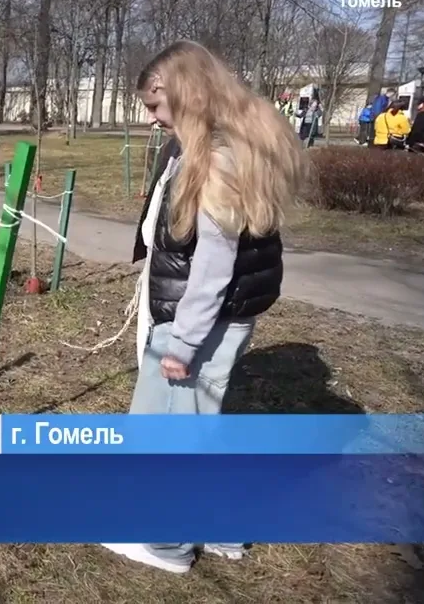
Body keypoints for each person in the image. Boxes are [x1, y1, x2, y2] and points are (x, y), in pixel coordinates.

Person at [102, 40, 306, 575]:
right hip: (205, 316)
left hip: (200, 319)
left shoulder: (218, 160)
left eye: (155, 105)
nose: (151, 119)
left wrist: (184, 342)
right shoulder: (222, 144)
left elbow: (214, 264)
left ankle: (167, 543)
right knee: (176, 423)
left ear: (186, 95)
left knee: (179, 433)